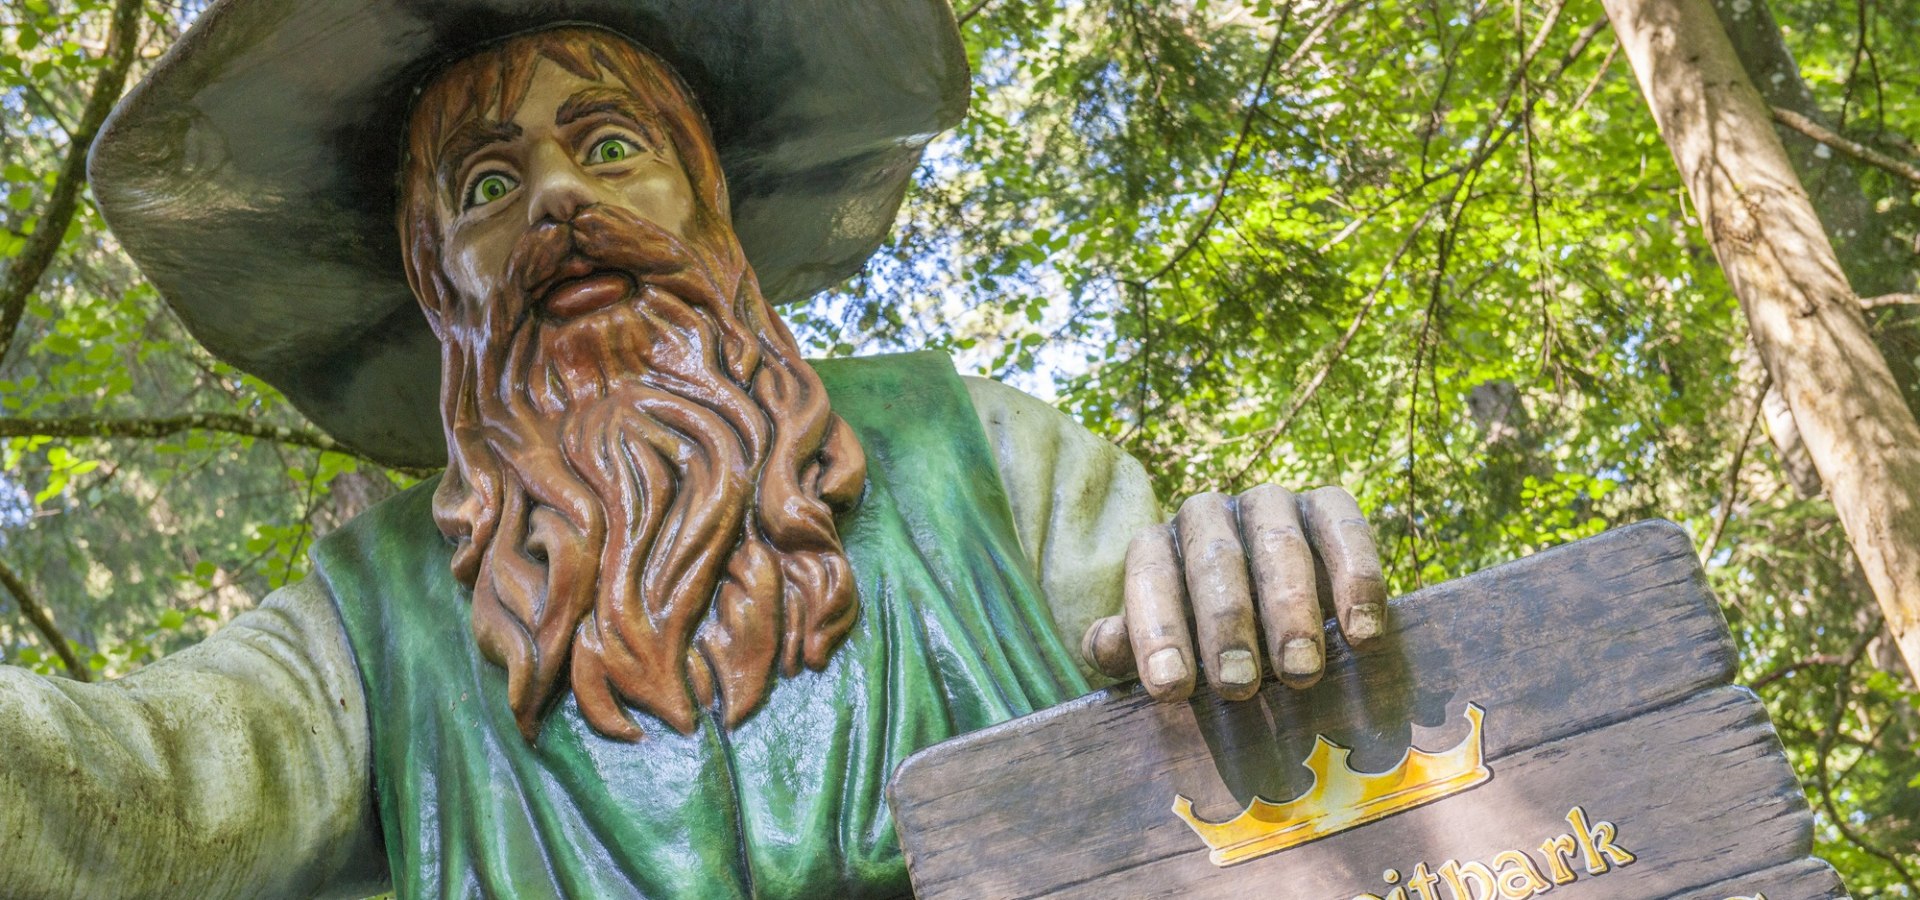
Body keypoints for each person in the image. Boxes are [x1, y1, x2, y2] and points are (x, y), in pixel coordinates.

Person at [0, 2, 1387, 897]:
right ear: (440, 284)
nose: (555, 199)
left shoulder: (980, 456)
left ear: (705, 201)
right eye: (486, 186)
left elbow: (1194, 660)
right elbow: (134, 791)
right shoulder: (366, 626)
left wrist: (1243, 573)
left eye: (609, 146)